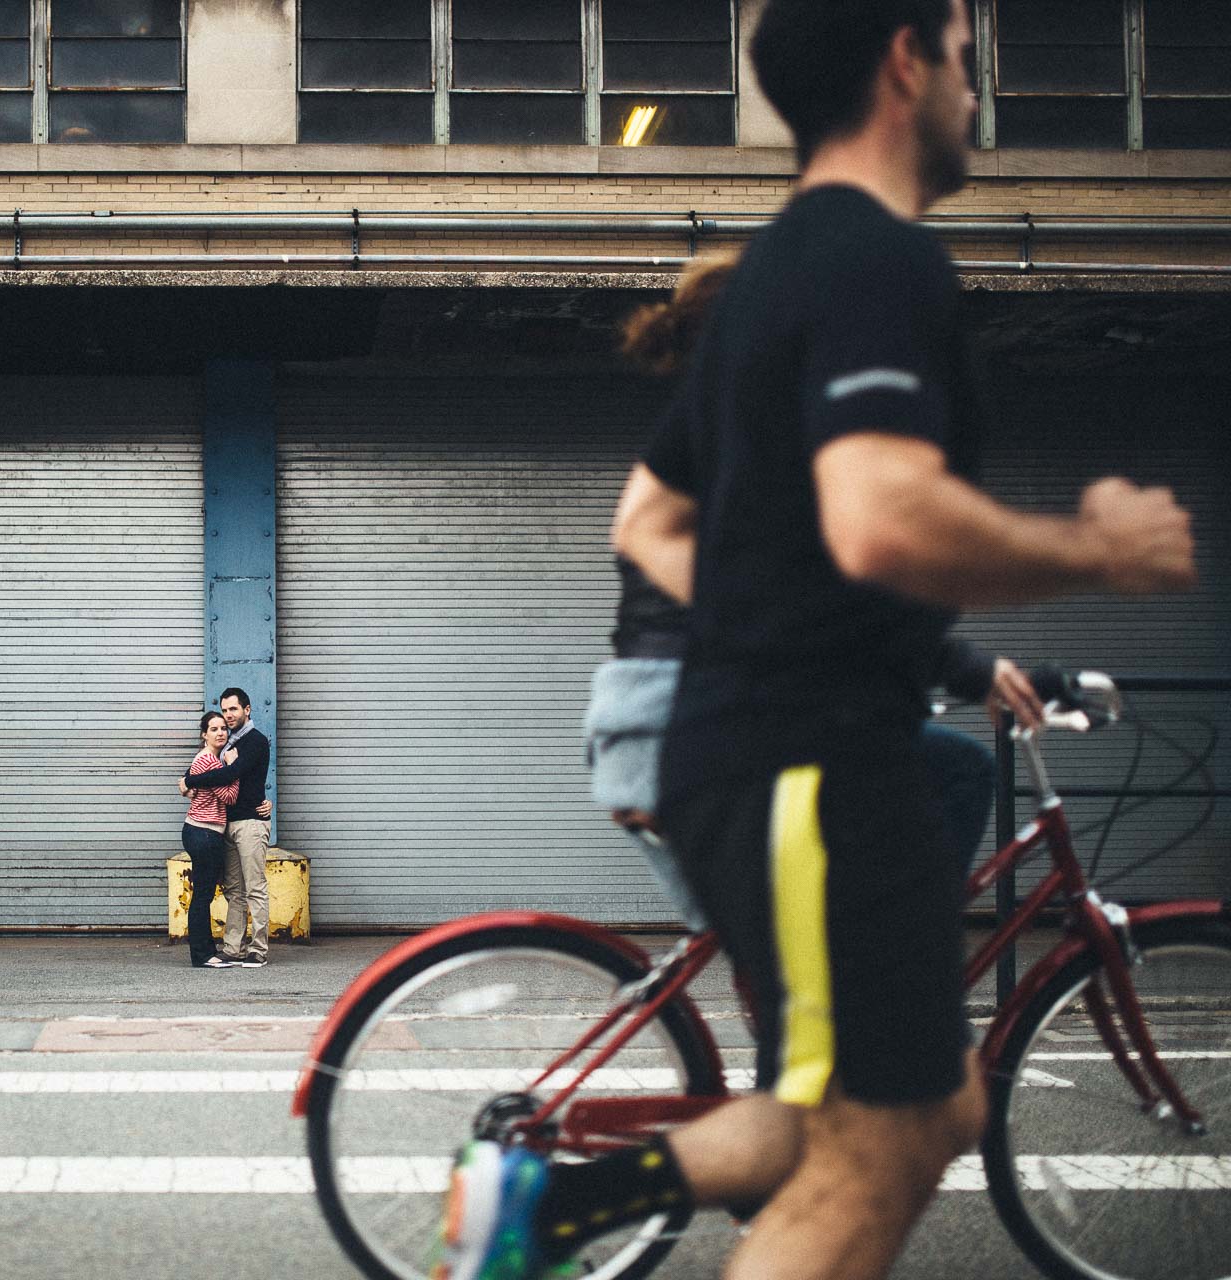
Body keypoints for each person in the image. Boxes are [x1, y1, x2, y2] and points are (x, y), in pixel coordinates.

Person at [440, 3, 1196, 1279]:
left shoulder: (772, 281)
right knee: (868, 1151)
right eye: (966, 50)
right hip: (811, 768)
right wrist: (1100, 548)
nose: (976, 82)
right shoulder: (874, 260)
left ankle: (548, 1211)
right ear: (907, 57)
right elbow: (883, 519)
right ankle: (549, 1208)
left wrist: (777, 617)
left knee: (928, 1110)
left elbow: (652, 514)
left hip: (774, 752)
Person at [588, 261, 1046, 932]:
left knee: (797, 969)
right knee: (954, 778)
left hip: (636, 734)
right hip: (706, 732)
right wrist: (970, 668)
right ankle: (909, 966)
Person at [180, 688, 274, 968]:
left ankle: (258, 949)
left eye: (234, 709)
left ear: (248, 710)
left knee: (255, 887)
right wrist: (188, 777)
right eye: (225, 710)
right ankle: (233, 947)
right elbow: (207, 767)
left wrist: (190, 781)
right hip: (225, 825)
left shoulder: (255, 741)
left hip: (251, 824)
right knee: (234, 889)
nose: (229, 715)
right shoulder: (227, 743)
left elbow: (230, 775)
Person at [181, 711, 242, 969]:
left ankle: (206, 951)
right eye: (214, 729)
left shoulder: (207, 759)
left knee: (202, 895)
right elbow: (229, 797)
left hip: (201, 832)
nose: (220, 733)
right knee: (203, 896)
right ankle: (202, 955)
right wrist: (234, 767)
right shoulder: (211, 762)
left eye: (222, 729)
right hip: (204, 833)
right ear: (203, 734)